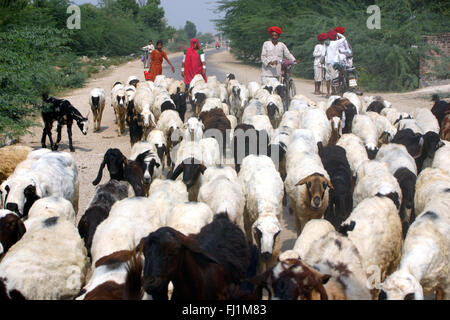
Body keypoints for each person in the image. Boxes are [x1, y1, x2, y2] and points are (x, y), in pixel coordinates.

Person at [324, 29, 347, 96]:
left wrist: (321, 61)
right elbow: (344, 38)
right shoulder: (336, 42)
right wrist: (338, 33)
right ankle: (336, 92)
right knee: (335, 78)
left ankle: (329, 92)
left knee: (328, 77)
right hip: (333, 62)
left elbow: (324, 53)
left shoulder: (326, 43)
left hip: (327, 62)